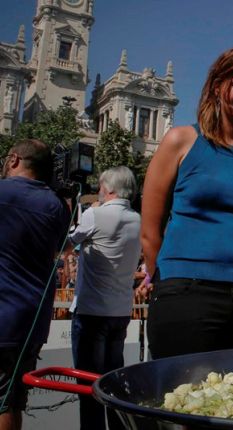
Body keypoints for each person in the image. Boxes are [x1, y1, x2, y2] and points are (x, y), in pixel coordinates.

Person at [140, 47, 233, 359]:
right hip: (186, 293)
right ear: (218, 86)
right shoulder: (181, 141)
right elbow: (150, 230)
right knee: (180, 398)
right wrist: (166, 283)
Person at [0, 139, 70, 430]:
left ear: (14, 159)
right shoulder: (58, 206)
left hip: (3, 315)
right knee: (11, 401)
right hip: (31, 321)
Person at [68, 166, 141, 430]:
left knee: (89, 388)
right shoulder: (138, 219)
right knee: (113, 384)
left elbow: (65, 245)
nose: (98, 192)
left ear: (109, 189)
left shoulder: (94, 215)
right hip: (120, 312)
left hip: (91, 312)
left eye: (100, 187)